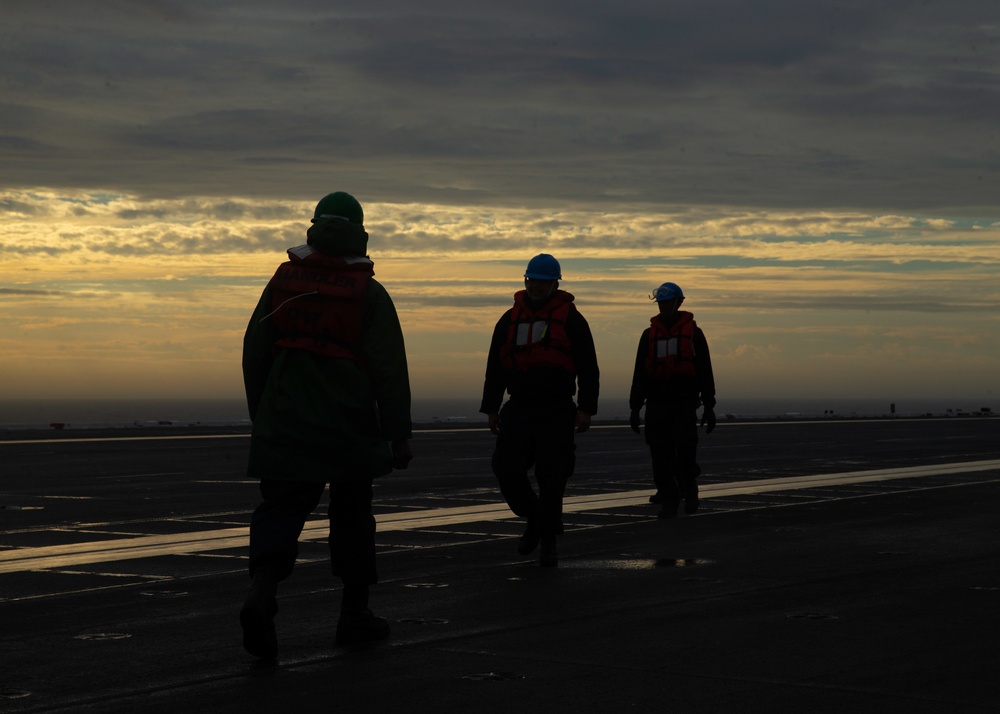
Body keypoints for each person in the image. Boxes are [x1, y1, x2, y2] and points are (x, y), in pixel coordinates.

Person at [239, 191, 412, 659]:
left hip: (286, 421)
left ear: (314, 227)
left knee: (279, 512)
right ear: (359, 232)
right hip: (348, 427)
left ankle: (262, 592)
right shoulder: (369, 293)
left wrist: (265, 416)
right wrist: (399, 434)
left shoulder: (281, 282)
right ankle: (354, 616)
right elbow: (389, 369)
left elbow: (254, 351)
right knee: (353, 518)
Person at [480, 254, 600, 566]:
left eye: (542, 281)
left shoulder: (572, 319)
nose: (535, 286)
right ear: (525, 281)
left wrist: (586, 409)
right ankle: (535, 517)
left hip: (557, 410)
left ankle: (548, 543)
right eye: (531, 280)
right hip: (518, 407)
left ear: (554, 284)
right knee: (506, 469)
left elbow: (588, 367)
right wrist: (491, 408)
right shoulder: (509, 319)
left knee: (552, 477)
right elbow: (495, 366)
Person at [628, 281, 716, 519]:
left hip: (684, 402)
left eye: (668, 303)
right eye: (661, 303)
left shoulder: (694, 335)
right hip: (657, 403)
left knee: (685, 450)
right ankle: (669, 501)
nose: (664, 307)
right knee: (660, 454)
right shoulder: (648, 336)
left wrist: (709, 406)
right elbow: (640, 372)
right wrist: (635, 407)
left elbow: (704, 370)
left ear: (679, 303)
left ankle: (690, 486)